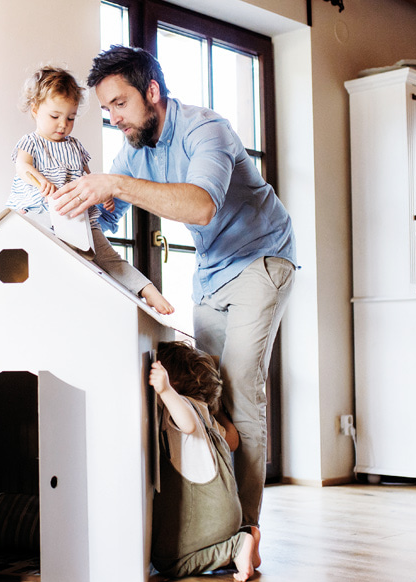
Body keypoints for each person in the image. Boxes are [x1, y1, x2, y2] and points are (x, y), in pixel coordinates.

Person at [51, 46, 296, 553]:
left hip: (262, 259)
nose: (113, 118)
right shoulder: (135, 148)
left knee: (242, 393)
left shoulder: (207, 131)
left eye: (119, 103)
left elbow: (202, 207)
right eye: (107, 109)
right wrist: (65, 207)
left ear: (153, 92)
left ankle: (243, 530)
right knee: (206, 393)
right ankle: (210, 513)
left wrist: (116, 183)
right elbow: (109, 215)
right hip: (210, 274)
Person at [7, 65, 173, 315]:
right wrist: (40, 180)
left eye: (71, 118)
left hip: (76, 218)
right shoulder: (31, 142)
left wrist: (103, 197)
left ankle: (148, 290)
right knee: (42, 258)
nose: (63, 124)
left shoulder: (75, 147)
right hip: (40, 212)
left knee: (108, 257)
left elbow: (89, 178)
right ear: (35, 110)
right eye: (55, 117)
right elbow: (22, 166)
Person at [149, 340, 257, 582]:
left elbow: (186, 424)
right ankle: (243, 541)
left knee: (166, 561)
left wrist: (165, 391)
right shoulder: (206, 414)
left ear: (173, 380)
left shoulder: (180, 406)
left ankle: (235, 548)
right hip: (228, 508)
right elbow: (233, 441)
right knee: (187, 548)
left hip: (209, 514)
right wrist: (217, 410)